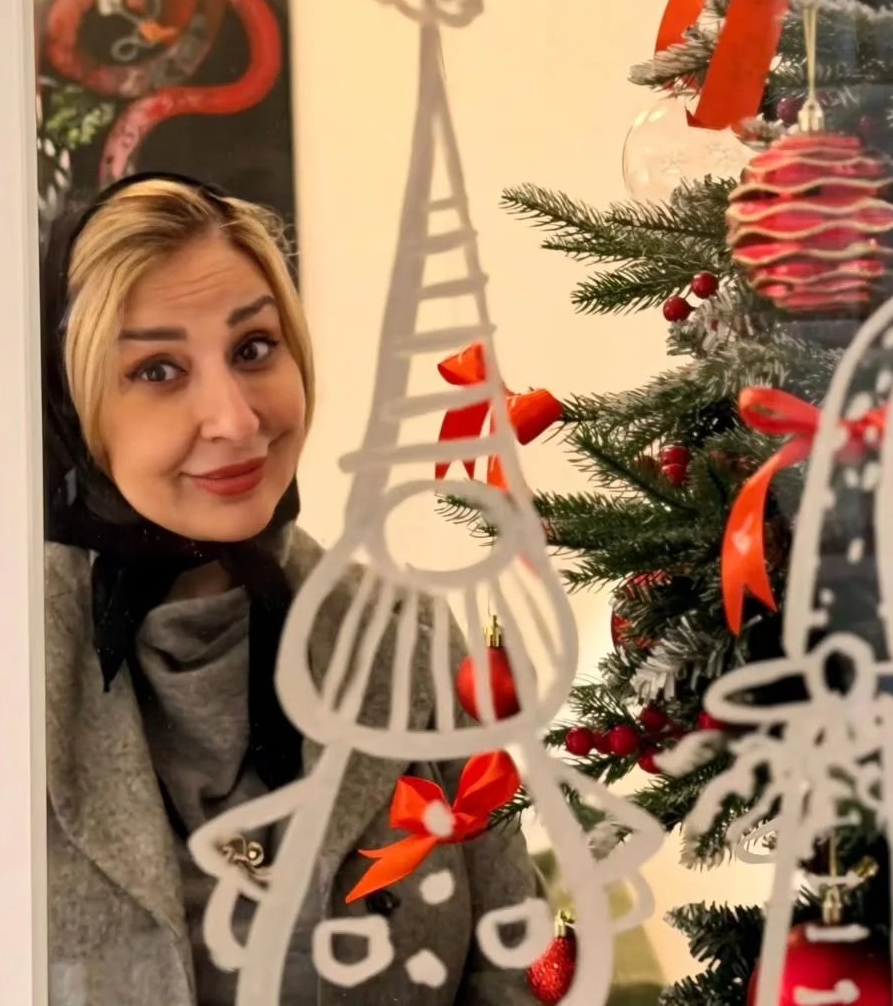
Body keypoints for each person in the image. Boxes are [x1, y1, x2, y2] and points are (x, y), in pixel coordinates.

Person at [41, 174, 538, 1006]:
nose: (237, 420)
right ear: (73, 406)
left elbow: (516, 963)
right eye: (158, 369)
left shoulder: (406, 637)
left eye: (253, 349)